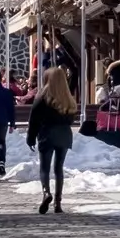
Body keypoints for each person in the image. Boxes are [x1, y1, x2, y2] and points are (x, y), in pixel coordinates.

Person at [27, 65, 79, 214]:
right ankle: (58, 202)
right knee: (59, 169)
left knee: (45, 168)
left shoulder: (42, 97)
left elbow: (34, 120)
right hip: (64, 134)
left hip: (47, 134)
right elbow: (71, 118)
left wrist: (31, 138)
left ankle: (46, 193)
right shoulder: (67, 98)